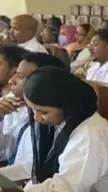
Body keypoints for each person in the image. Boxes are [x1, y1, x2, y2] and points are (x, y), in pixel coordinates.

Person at [21, 66, 108, 192]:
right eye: (32, 110)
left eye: (43, 112)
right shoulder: (67, 123)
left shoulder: (91, 135)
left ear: (67, 105)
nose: (36, 117)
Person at [0, 52, 66, 182]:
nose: (11, 81)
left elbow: (32, 167)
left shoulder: (52, 116)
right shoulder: (12, 102)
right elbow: (3, 152)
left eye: (20, 76)